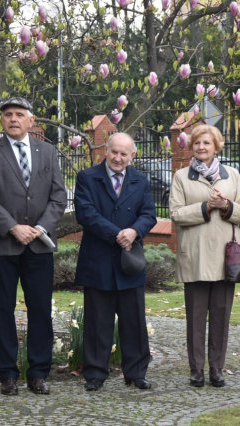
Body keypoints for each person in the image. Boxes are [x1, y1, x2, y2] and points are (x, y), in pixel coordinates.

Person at [0, 97, 67, 396]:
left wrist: (38, 228)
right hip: (3, 245)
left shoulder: (49, 152)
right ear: (2, 120)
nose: (13, 119)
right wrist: (13, 227)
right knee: (2, 309)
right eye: (8, 115)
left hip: (39, 246)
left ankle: (38, 373)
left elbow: (58, 198)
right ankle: (7, 374)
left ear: (31, 120)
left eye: (19, 114)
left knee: (40, 309)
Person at [74, 133, 157, 391]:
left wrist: (134, 232)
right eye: (114, 152)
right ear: (105, 151)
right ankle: (96, 374)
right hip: (98, 260)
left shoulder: (140, 180)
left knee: (134, 322)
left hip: (129, 260)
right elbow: (85, 213)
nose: (118, 158)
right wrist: (116, 234)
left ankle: (136, 373)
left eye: (124, 154)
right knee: (98, 322)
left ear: (132, 155)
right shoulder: (87, 178)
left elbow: (149, 214)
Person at [170, 124, 240, 388]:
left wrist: (226, 205)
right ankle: (196, 371)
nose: (202, 147)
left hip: (226, 258)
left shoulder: (233, 176)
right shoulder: (181, 177)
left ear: (216, 146)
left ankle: (216, 369)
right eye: (197, 144)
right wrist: (206, 207)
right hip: (195, 257)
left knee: (220, 317)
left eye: (207, 143)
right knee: (195, 320)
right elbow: (176, 214)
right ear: (191, 147)